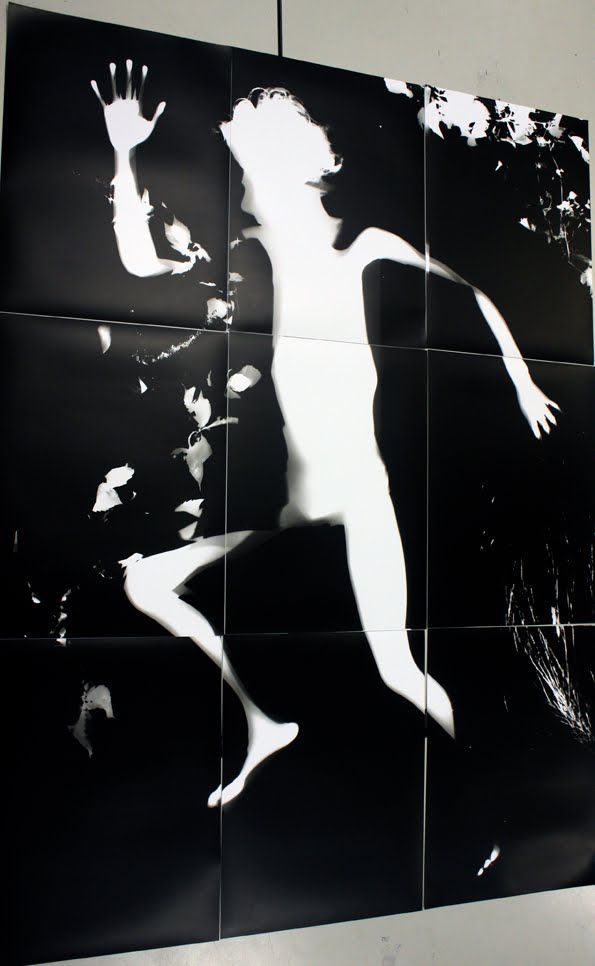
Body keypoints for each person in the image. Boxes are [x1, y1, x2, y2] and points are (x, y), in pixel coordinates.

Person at [91, 64, 560, 808]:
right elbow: (140, 262)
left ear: (281, 172)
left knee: (397, 671)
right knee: (144, 581)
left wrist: (521, 378)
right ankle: (264, 725)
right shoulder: (254, 250)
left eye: (248, 174)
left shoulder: (360, 245)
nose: (242, 192)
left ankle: (501, 795)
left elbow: (469, 290)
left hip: (360, 509)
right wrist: (123, 154)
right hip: (293, 519)